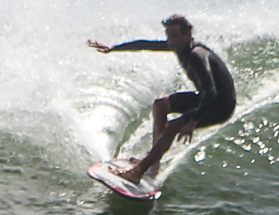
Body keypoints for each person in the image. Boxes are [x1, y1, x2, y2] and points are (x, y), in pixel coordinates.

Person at [88, 14, 235, 184]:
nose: (170, 41)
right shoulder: (179, 46)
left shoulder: (197, 55)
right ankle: (153, 165)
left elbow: (211, 92)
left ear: (188, 34)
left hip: (220, 106)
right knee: (160, 105)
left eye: (174, 36)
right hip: (206, 98)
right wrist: (113, 48)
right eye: (168, 36)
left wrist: (193, 122)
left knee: (173, 126)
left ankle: (137, 172)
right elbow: (145, 45)